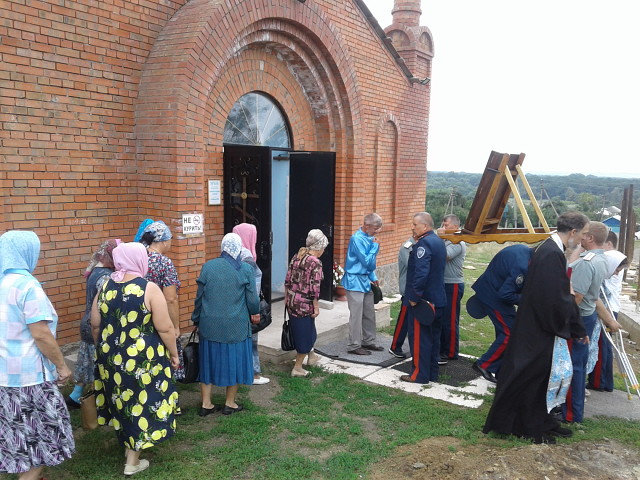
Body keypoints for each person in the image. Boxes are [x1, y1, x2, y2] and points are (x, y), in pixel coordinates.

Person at [483, 212, 590, 444]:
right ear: (572, 232)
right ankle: (526, 426)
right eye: (581, 234)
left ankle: (543, 421)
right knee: (531, 378)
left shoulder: (550, 248)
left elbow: (556, 293)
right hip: (538, 328)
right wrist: (576, 327)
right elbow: (556, 299)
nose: (581, 240)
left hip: (536, 324)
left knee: (539, 377)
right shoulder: (551, 253)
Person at [91, 242, 179, 476]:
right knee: (143, 400)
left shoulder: (106, 285)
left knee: (121, 398)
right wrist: (174, 353)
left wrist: (103, 349)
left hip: (110, 357)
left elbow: (95, 324)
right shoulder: (148, 288)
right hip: (143, 359)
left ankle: (128, 442)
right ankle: (132, 460)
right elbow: (165, 328)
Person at [0, 230, 75, 480]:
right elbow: (41, 334)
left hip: (4, 377)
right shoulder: (28, 286)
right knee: (43, 439)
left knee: (18, 436)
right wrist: (62, 366)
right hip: (30, 378)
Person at [192, 233, 259, 416]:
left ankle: (206, 403)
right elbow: (252, 300)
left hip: (209, 325)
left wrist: (196, 319)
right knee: (234, 362)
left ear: (223, 247)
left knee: (208, 362)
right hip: (235, 326)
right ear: (238, 248)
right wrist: (255, 312)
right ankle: (230, 403)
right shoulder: (245, 269)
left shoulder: (208, 266)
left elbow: (199, 298)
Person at [562, 221, 620, 424]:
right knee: (577, 363)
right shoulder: (601, 259)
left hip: (579, 318)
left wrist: (563, 319)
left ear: (591, 238)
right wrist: (610, 320)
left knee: (573, 366)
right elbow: (594, 297)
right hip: (587, 316)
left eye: (584, 235)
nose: (581, 237)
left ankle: (570, 413)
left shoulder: (588, 263)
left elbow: (577, 296)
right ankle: (570, 409)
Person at [467, 244, 532, 382]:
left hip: (492, 289)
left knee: (505, 331)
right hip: (493, 297)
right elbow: (506, 294)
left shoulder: (524, 250)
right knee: (510, 333)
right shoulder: (523, 266)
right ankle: (484, 364)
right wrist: (527, 299)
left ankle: (500, 369)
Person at [66, 239, 119, 408]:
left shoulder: (94, 270)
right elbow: (107, 304)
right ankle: (103, 401)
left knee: (87, 362)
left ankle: (75, 397)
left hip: (86, 322)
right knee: (99, 364)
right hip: (97, 324)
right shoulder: (105, 276)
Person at [400, 212, 447, 384]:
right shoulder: (438, 241)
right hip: (438, 299)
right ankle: (431, 373)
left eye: (415, 224)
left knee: (420, 340)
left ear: (425, 226)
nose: (412, 227)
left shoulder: (424, 244)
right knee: (434, 339)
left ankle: (419, 375)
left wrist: (414, 297)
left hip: (424, 301)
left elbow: (421, 273)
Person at [284, 229, 329, 377]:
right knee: (305, 334)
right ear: (319, 247)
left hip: (292, 301)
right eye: (324, 247)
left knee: (308, 330)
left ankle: (312, 356)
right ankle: (297, 368)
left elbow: (287, 280)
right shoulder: (315, 262)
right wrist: (316, 307)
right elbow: (314, 289)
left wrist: (286, 298)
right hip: (304, 304)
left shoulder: (297, 256)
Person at [587, 231, 626, 392]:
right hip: (611, 307)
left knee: (601, 346)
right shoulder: (618, 257)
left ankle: (598, 382)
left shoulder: (612, 257)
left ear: (608, 243)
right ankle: (606, 382)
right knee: (605, 347)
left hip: (607, 308)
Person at [233, 223, 269, 385]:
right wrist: (254, 310)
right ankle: (254, 374)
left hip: (235, 307)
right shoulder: (247, 258)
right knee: (251, 341)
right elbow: (252, 290)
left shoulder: (233, 255)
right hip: (247, 310)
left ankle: (240, 371)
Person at [342, 213, 383, 355]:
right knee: (356, 315)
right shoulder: (356, 239)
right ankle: (354, 345)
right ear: (366, 226)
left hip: (365, 279)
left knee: (369, 312)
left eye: (379, 228)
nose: (378, 231)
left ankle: (369, 341)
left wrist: (372, 276)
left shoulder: (369, 237)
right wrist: (375, 248)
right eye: (376, 228)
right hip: (354, 280)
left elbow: (368, 264)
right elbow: (366, 261)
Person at [437, 214, 466, 364]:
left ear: (455, 227)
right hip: (444, 283)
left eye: (446, 225)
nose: (443, 228)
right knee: (442, 317)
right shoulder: (447, 240)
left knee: (450, 318)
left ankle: (450, 352)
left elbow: (443, 256)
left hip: (453, 284)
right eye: (442, 225)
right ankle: (442, 348)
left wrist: (440, 239)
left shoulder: (458, 241)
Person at [388, 233, 416, 358]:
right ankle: (395, 346)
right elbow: (412, 266)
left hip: (416, 289)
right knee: (403, 319)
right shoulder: (407, 247)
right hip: (407, 289)